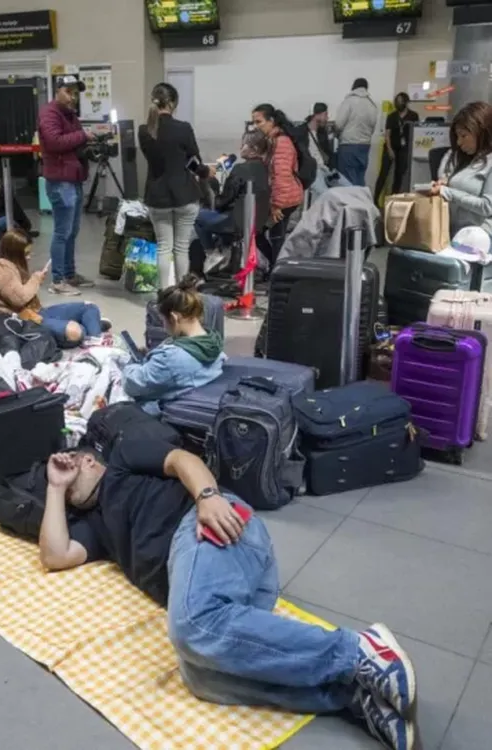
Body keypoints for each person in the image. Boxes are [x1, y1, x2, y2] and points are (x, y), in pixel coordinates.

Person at [37, 441, 419, 750]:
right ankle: (352, 695)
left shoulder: (122, 458)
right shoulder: (94, 525)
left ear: (87, 461)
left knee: (191, 624)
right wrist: (55, 487)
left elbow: (181, 458)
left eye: (69, 480)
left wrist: (207, 496)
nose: (69, 495)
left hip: (209, 527)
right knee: (202, 678)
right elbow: (55, 555)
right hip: (222, 583)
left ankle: (359, 652)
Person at [0, 230, 107, 346]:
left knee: (89, 307)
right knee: (75, 332)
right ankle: (90, 328)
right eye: (25, 254)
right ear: (14, 252)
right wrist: (35, 279)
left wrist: (36, 280)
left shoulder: (11, 264)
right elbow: (19, 298)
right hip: (24, 320)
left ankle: (93, 336)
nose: (29, 257)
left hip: (37, 312)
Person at [121, 276, 225, 413]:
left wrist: (132, 363)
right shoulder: (213, 342)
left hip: (156, 412)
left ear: (174, 318)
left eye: (163, 320)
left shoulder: (171, 358)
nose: (164, 327)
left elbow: (132, 384)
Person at [139, 82, 203, 287]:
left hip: (157, 197)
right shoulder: (183, 128)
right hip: (184, 195)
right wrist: (205, 172)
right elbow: (194, 161)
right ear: (173, 103)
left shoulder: (144, 131)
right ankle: (183, 293)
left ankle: (163, 294)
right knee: (181, 247)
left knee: (163, 247)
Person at [38, 75, 92, 296]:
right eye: (69, 92)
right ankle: (58, 280)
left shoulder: (69, 115)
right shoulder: (49, 113)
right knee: (62, 232)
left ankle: (69, 274)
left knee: (72, 231)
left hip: (73, 179)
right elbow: (54, 142)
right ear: (57, 90)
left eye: (75, 93)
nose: (73, 97)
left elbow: (74, 142)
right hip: (60, 181)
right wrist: (82, 135)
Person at [193, 130, 271, 261]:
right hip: (258, 221)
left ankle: (212, 254)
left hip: (237, 222)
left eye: (243, 144)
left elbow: (222, 202)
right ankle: (225, 254)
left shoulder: (241, 169)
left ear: (254, 149)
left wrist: (212, 188)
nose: (240, 148)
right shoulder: (265, 168)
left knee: (196, 216)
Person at [427, 100, 492, 239]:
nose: (459, 142)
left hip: (479, 236)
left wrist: (448, 192)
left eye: (464, 136)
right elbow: (444, 173)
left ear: (481, 132)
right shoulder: (457, 155)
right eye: (457, 136)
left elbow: (487, 207)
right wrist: (443, 181)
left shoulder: (489, 163)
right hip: (450, 230)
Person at [251, 105, 303, 267]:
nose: (256, 126)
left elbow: (281, 176)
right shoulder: (272, 140)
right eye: (254, 122)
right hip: (282, 197)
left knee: (267, 235)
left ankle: (277, 271)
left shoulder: (281, 142)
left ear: (271, 121)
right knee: (274, 237)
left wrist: (276, 206)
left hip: (284, 199)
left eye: (259, 122)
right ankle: (276, 269)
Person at [375, 93, 419, 206]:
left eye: (401, 101)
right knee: (383, 173)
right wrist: (389, 149)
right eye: (397, 101)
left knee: (399, 174)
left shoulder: (413, 116)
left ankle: (393, 199)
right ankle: (375, 199)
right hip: (391, 146)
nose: (398, 103)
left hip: (404, 149)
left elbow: (416, 133)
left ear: (406, 102)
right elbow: (387, 134)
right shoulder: (392, 116)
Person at [335, 78, 379, 187]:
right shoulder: (371, 104)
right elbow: (373, 127)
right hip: (365, 146)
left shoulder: (349, 101)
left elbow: (339, 124)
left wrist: (336, 134)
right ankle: (361, 202)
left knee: (347, 179)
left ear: (353, 87)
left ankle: (351, 202)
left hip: (348, 145)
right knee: (360, 178)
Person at [300, 103, 335, 170]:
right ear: (317, 115)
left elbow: (328, 154)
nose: (327, 118)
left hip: (324, 171)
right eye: (325, 114)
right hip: (311, 173)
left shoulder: (322, 133)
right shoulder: (302, 133)